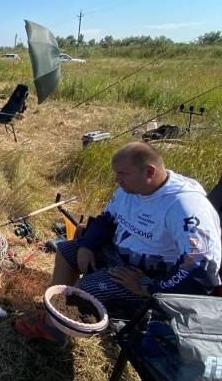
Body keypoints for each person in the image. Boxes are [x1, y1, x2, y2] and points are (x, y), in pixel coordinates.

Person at [16, 142, 222, 341]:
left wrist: (148, 286)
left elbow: (201, 268)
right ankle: (53, 312)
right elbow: (107, 219)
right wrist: (88, 245)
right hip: (118, 256)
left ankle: (55, 331)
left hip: (147, 276)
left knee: (86, 288)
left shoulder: (185, 205)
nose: (117, 180)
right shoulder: (130, 189)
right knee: (66, 251)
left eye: (122, 174)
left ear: (149, 172)